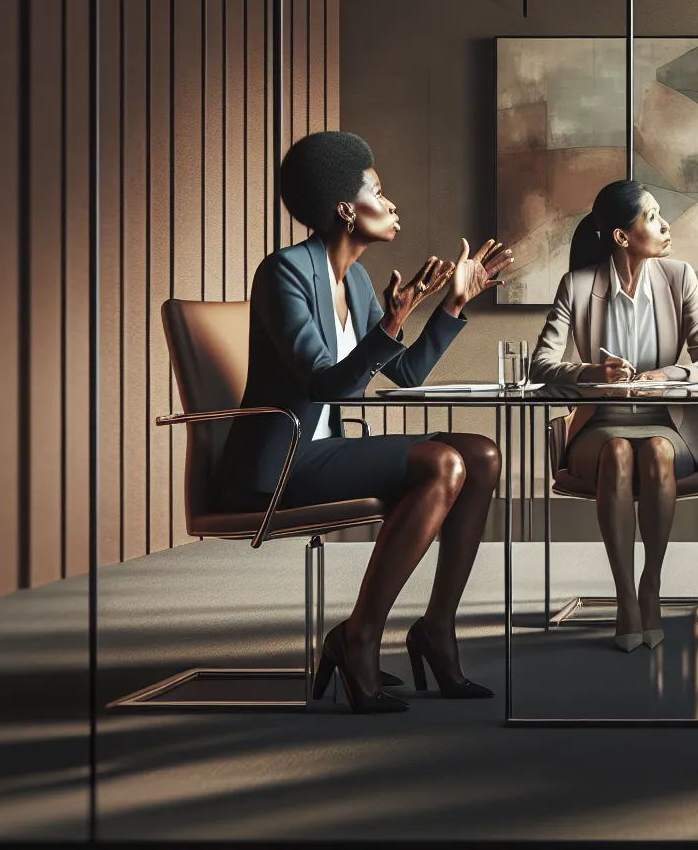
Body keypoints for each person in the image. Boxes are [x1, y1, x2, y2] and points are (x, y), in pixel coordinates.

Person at [218, 130, 513, 713]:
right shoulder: (283, 274)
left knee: (480, 454)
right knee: (443, 462)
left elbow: (403, 373)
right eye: (379, 191)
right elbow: (325, 382)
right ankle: (358, 636)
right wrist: (390, 325)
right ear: (347, 210)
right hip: (283, 462)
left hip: (326, 448)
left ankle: (436, 629)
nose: (393, 203)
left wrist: (452, 304)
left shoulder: (353, 279)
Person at [531, 180, 698, 652]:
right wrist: (593, 371)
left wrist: (667, 376)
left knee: (654, 452)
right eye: (652, 217)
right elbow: (541, 365)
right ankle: (624, 597)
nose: (665, 225)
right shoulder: (577, 285)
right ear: (622, 235)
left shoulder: (679, 277)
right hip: (600, 424)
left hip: (667, 423)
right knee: (617, 452)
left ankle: (649, 586)